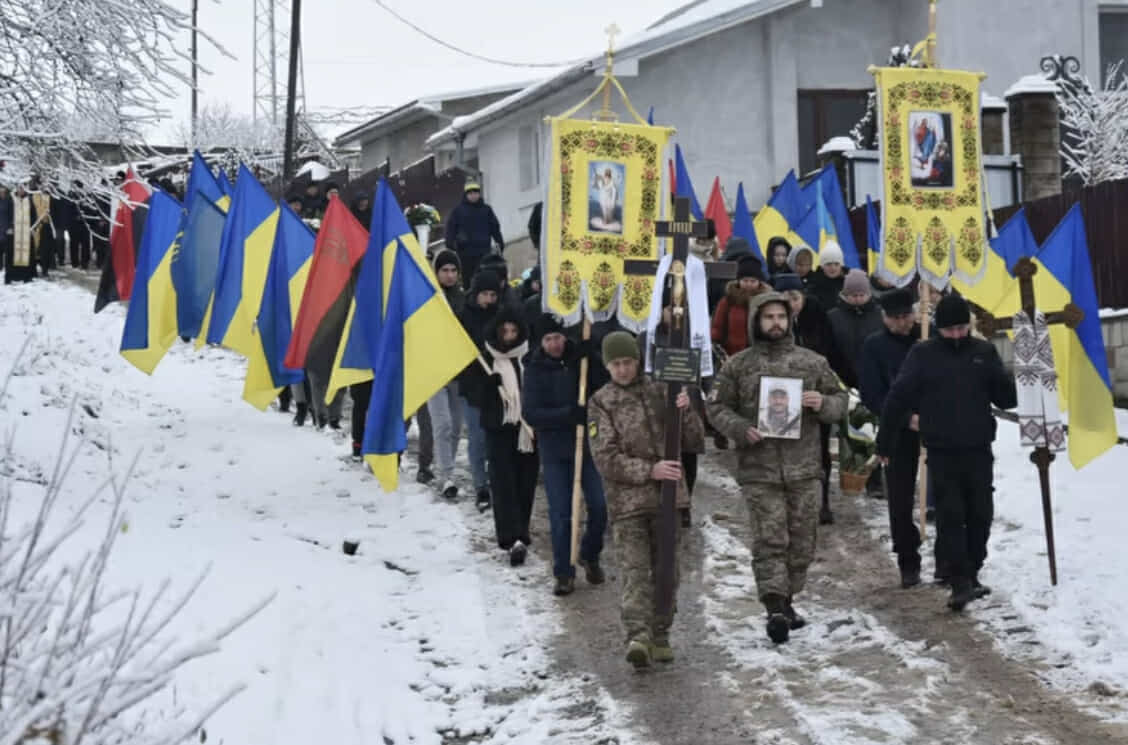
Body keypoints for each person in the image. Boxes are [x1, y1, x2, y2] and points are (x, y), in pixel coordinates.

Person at [707, 292, 847, 644]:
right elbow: (716, 407)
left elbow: (842, 401)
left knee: (802, 542)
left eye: (780, 317)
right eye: (768, 317)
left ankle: (787, 599)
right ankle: (774, 607)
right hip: (760, 469)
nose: (775, 323)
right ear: (757, 320)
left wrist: (822, 403)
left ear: (789, 320)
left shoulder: (812, 363)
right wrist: (740, 428)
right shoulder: (738, 366)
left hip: (804, 468)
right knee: (770, 539)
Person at [877, 294, 1017, 612]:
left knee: (981, 514)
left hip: (978, 447)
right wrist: (885, 441)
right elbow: (898, 398)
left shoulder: (983, 352)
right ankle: (959, 581)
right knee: (951, 515)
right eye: (949, 329)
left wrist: (1015, 379)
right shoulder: (922, 354)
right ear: (939, 328)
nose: (956, 335)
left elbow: (1006, 399)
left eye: (961, 328)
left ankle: (973, 569)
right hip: (941, 450)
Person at [588, 331, 704, 668]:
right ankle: (638, 635)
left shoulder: (661, 390)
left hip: (669, 499)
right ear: (607, 366)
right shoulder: (601, 402)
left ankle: (661, 632)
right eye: (616, 364)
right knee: (635, 570)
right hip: (628, 503)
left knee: (668, 569)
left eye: (628, 362)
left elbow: (694, 440)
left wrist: (686, 410)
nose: (623, 369)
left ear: (638, 361)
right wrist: (649, 470)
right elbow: (605, 457)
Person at [522, 313, 608, 596]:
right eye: (548, 339)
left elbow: (603, 387)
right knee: (561, 513)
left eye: (557, 337)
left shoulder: (578, 360)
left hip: (588, 448)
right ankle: (563, 572)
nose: (554, 344)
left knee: (600, 506)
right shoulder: (534, 368)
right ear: (541, 342)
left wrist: (592, 356)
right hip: (555, 449)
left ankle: (589, 553)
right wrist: (569, 414)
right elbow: (531, 413)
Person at [461, 307, 539, 566]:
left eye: (513, 331)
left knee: (525, 483)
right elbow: (471, 394)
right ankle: (510, 537)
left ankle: (522, 531)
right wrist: (487, 387)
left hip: (527, 430)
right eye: (504, 331)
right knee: (503, 483)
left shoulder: (528, 357)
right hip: (498, 429)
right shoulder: (485, 359)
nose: (509, 336)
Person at [859, 288, 923, 587]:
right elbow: (872, 394)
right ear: (885, 318)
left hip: (936, 424)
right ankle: (907, 558)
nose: (902, 322)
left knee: (946, 494)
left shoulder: (927, 337)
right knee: (900, 497)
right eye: (895, 318)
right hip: (897, 429)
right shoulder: (874, 346)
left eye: (906, 315)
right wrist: (906, 418)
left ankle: (950, 561)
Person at [773, 273, 845, 525]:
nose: (790, 304)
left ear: (802, 298)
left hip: (813, 397)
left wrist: (844, 386)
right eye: (784, 299)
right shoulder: (771, 321)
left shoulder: (817, 317)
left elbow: (832, 353)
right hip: (780, 396)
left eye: (794, 298)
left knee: (819, 450)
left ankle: (822, 501)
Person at [458, 270, 503, 511]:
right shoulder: (464, 316)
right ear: (476, 294)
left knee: (495, 439)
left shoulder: (501, 315)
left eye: (493, 295)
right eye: (485, 294)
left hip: (498, 385)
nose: (489, 299)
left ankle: (497, 481)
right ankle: (481, 486)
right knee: (477, 438)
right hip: (473, 386)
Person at [428, 249, 466, 500]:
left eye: (454, 270)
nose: (450, 275)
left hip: (459, 371)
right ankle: (446, 475)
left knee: (455, 427)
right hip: (434, 370)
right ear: (437, 272)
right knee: (442, 424)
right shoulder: (429, 298)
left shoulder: (464, 300)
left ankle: (444, 466)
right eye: (445, 270)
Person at [827, 268, 884, 390]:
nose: (858, 299)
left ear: (869, 294)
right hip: (841, 378)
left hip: (875, 378)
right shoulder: (833, 317)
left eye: (861, 295)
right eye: (853, 295)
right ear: (845, 295)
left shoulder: (881, 315)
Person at [445, 182, 504, 289]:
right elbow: (450, 229)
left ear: (479, 194)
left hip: (484, 253)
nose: (473, 195)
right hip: (465, 254)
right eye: (470, 193)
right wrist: (451, 245)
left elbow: (495, 228)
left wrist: (500, 243)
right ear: (466, 195)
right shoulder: (458, 211)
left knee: (484, 280)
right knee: (468, 282)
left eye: (476, 192)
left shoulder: (486, 210)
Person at [711, 254, 768, 358]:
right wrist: (716, 345)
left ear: (759, 282)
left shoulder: (766, 301)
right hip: (732, 355)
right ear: (738, 281)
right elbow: (717, 327)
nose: (749, 284)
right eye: (745, 280)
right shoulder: (728, 301)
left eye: (753, 281)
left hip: (761, 356)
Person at [5, 185, 37, 284]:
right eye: (19, 188)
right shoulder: (11, 200)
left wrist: (33, 227)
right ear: (16, 189)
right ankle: (10, 276)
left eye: (23, 188)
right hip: (13, 233)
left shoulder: (29, 200)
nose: (21, 190)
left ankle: (26, 276)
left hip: (26, 232)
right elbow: (6, 214)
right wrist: (8, 227)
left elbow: (34, 215)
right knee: (11, 254)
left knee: (27, 254)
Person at [806, 240, 846, 312]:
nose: (833, 268)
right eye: (828, 264)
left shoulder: (848, 283)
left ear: (841, 265)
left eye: (836, 264)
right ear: (822, 266)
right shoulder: (814, 285)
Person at [0, 185, 11, 274]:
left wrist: (10, 226)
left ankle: (7, 266)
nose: (2, 193)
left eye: (3, 192)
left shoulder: (8, 202)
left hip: (5, 227)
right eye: (0, 192)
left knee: (6, 248)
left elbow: (11, 215)